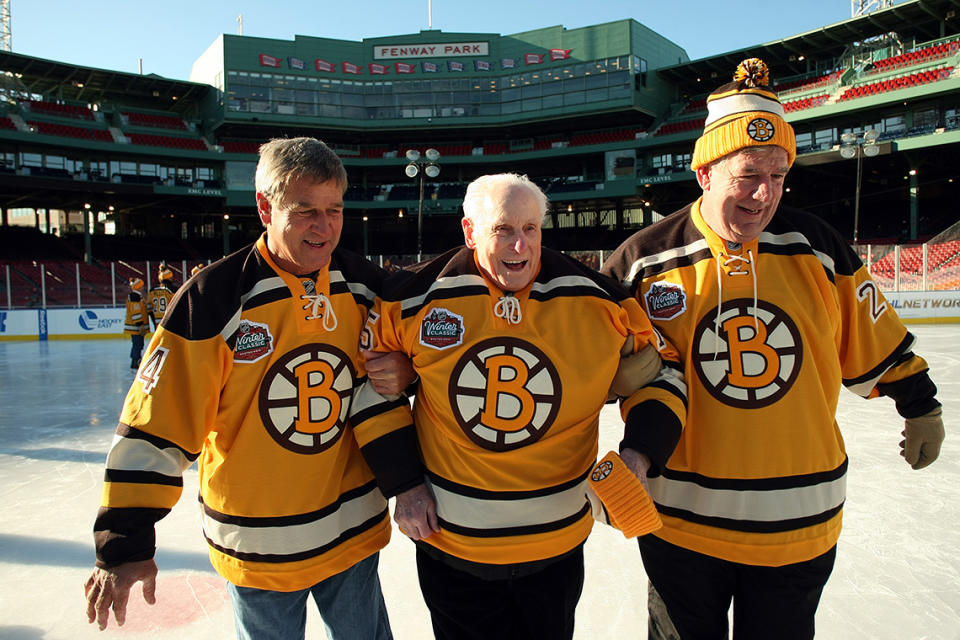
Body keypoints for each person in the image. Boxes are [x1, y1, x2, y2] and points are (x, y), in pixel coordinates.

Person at [601, 58, 945, 640]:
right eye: (747, 173)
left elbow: (872, 337)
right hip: (680, 525)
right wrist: (611, 378)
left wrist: (920, 403)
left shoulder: (819, 247)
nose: (765, 194)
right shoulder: (641, 260)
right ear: (705, 172)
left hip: (798, 521)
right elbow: (574, 360)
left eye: (779, 175)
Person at [84, 137, 415, 640]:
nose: (323, 227)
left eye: (334, 210)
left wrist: (406, 369)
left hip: (351, 533)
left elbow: (439, 349)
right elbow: (157, 424)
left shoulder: (365, 285)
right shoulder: (212, 298)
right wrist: (125, 544)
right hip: (259, 545)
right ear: (265, 206)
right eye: (304, 211)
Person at [350, 173, 687, 640]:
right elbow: (373, 393)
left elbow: (659, 378)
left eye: (530, 229)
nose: (520, 246)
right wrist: (404, 485)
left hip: (556, 547)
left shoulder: (602, 301)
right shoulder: (410, 298)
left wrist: (640, 452)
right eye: (502, 230)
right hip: (452, 548)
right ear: (469, 233)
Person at [122, 277, 149, 369]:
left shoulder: (137, 296)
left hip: (136, 327)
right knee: (137, 344)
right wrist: (140, 324)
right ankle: (135, 360)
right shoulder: (135, 297)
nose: (143, 288)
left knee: (138, 344)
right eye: (141, 286)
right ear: (138, 287)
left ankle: (136, 359)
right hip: (136, 327)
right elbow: (136, 312)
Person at [146, 262, 177, 328]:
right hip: (171, 322)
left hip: (157, 322)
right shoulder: (173, 290)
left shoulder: (152, 290)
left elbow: (149, 308)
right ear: (170, 278)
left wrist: (153, 321)